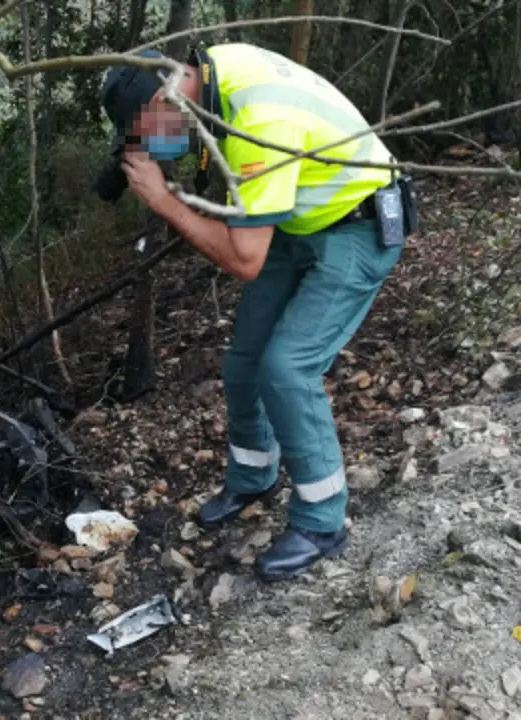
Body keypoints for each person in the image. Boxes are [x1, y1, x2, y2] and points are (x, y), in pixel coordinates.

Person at [95, 42, 415, 581]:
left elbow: (245, 260)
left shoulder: (258, 124)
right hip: (299, 218)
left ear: (165, 97)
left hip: (357, 223)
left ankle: (322, 521)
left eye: (145, 130)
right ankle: (252, 477)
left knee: (287, 368)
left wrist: (164, 200)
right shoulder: (216, 70)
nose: (151, 144)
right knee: (244, 362)